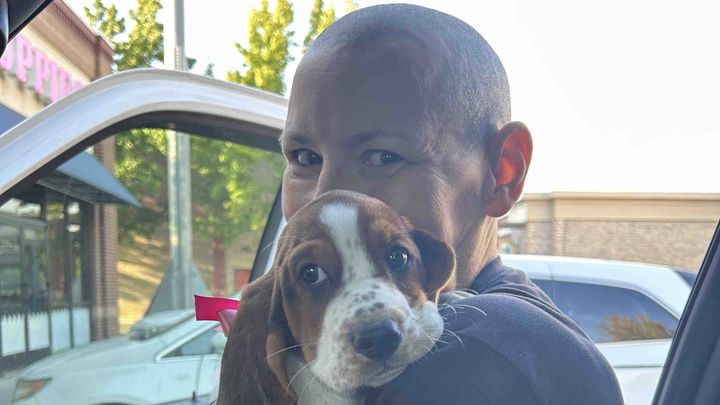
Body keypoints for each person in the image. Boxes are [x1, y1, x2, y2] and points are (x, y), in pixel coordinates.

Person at [279, 4, 624, 404]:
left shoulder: (475, 359)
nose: (325, 197)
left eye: (384, 157)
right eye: (305, 157)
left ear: (503, 171)